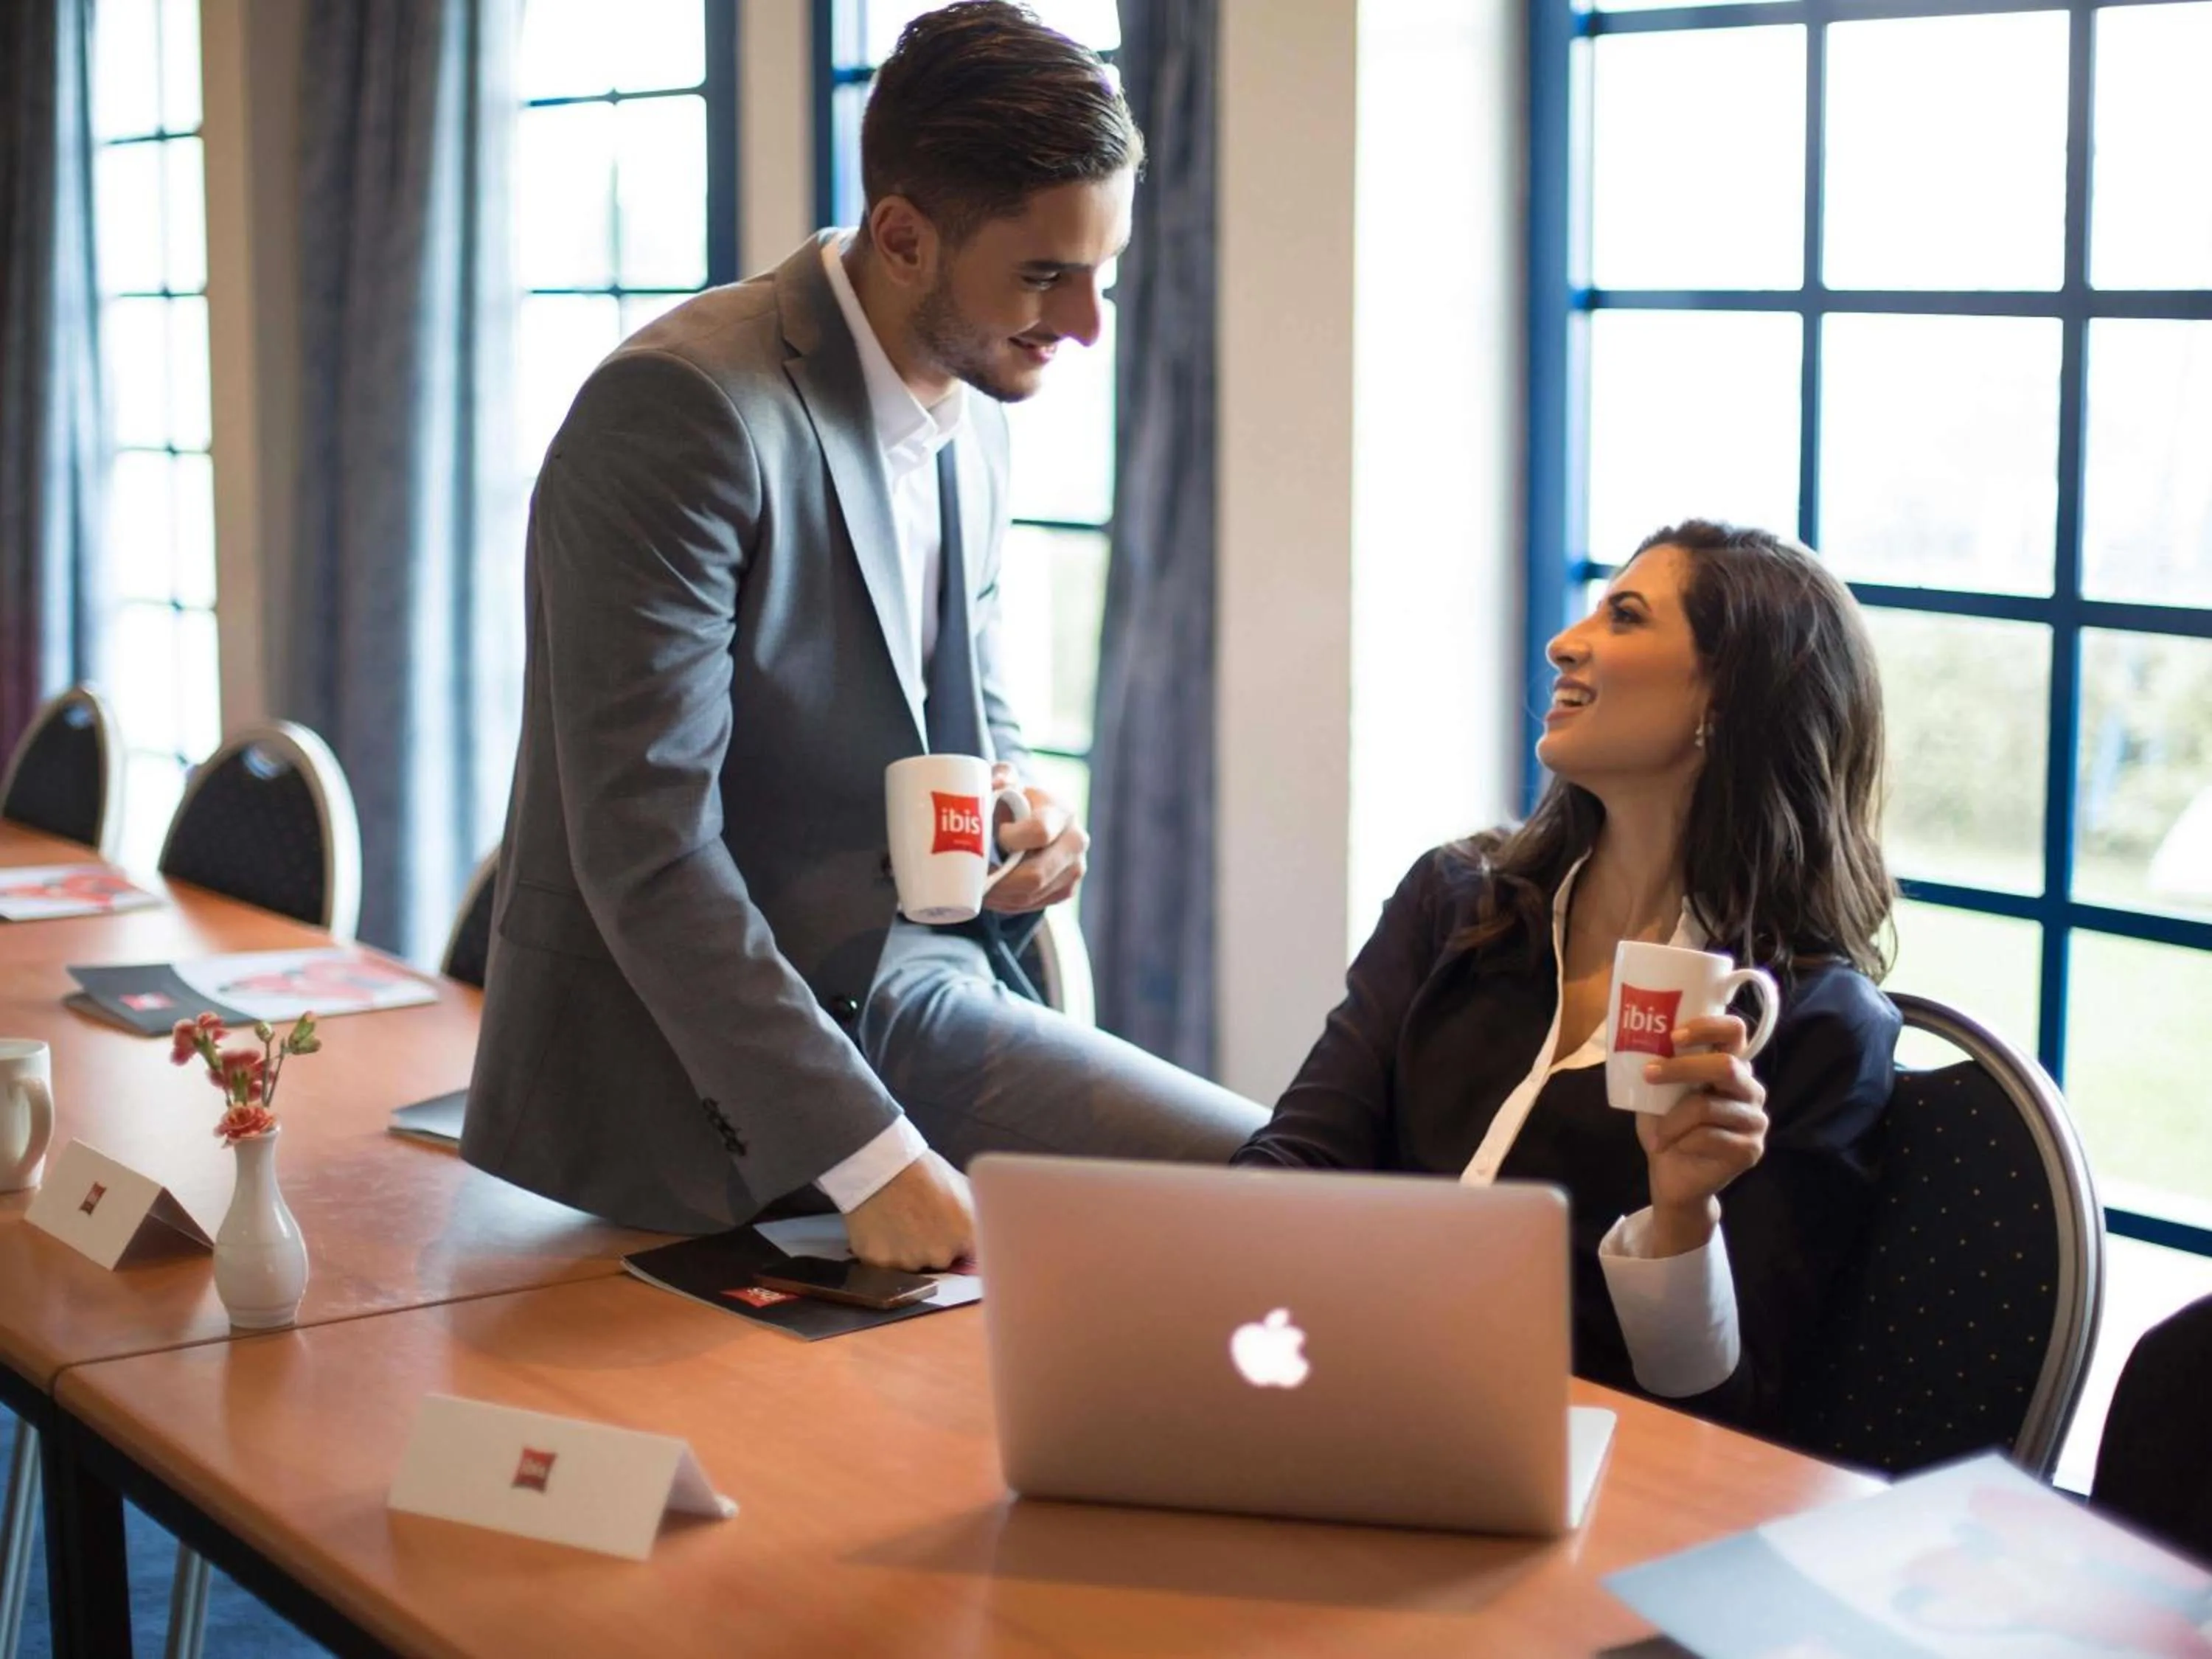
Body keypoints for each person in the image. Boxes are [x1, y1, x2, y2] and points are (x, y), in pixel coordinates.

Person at [463, 1, 1262, 1267]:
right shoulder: (681, 412)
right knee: (1273, 1193)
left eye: (1104, 273)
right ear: (901, 236)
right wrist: (872, 1155)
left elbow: (968, 733)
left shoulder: (980, 416)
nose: (1088, 325)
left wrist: (1029, 826)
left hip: (929, 992)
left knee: (1292, 1176)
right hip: (709, 1076)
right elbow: (645, 849)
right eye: (1049, 274)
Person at [1235, 521, 1900, 1438]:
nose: (1564, 643)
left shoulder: (1815, 1028)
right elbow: (1299, 1159)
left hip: (1580, 1468)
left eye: (1625, 618)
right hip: (1346, 1393)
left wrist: (1681, 1214)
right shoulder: (1457, 902)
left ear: (1729, 698)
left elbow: (1731, 1418)